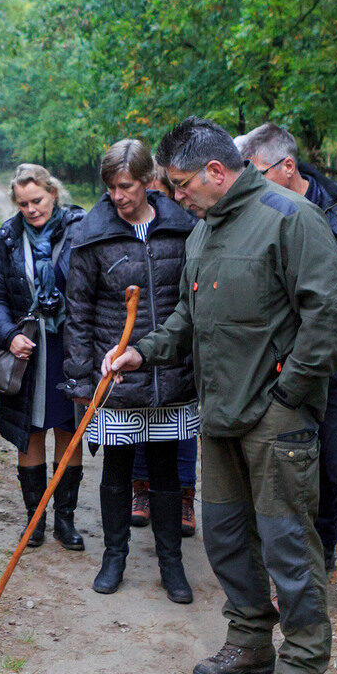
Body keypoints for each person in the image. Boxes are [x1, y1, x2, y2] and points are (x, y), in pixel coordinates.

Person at [106, 117, 337, 674]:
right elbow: (190, 320)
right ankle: (250, 638)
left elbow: (330, 318)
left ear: (217, 171)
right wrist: (145, 350)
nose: (176, 195)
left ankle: (300, 667)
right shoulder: (202, 231)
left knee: (287, 544)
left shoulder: (292, 220)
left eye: (183, 183)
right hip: (217, 414)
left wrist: (288, 393)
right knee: (222, 533)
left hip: (276, 417)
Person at [237, 122, 337, 634]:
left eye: (256, 173)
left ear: (286, 167)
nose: (247, 184)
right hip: (286, 375)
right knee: (295, 484)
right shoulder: (261, 215)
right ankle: (305, 578)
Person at [63, 139, 198, 603]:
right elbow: (77, 312)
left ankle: (172, 566)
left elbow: (192, 301)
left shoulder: (183, 226)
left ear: (148, 181)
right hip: (115, 373)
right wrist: (81, 379)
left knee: (165, 471)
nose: (117, 196)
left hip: (170, 371)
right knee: (117, 469)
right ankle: (114, 558)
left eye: (125, 186)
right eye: (111, 187)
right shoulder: (90, 233)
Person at [0, 164, 86, 549]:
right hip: (28, 349)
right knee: (31, 431)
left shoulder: (80, 231)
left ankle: (65, 519)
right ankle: (35, 519)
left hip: (68, 347)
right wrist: (9, 336)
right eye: (23, 203)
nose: (31, 209)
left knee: (68, 430)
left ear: (53, 193)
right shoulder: (7, 238)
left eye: (38, 200)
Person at [130, 170, 199, 537]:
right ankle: (140, 489)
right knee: (143, 419)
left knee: (182, 424)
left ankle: (184, 495)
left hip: (180, 337)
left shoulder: (187, 227)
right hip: (140, 335)